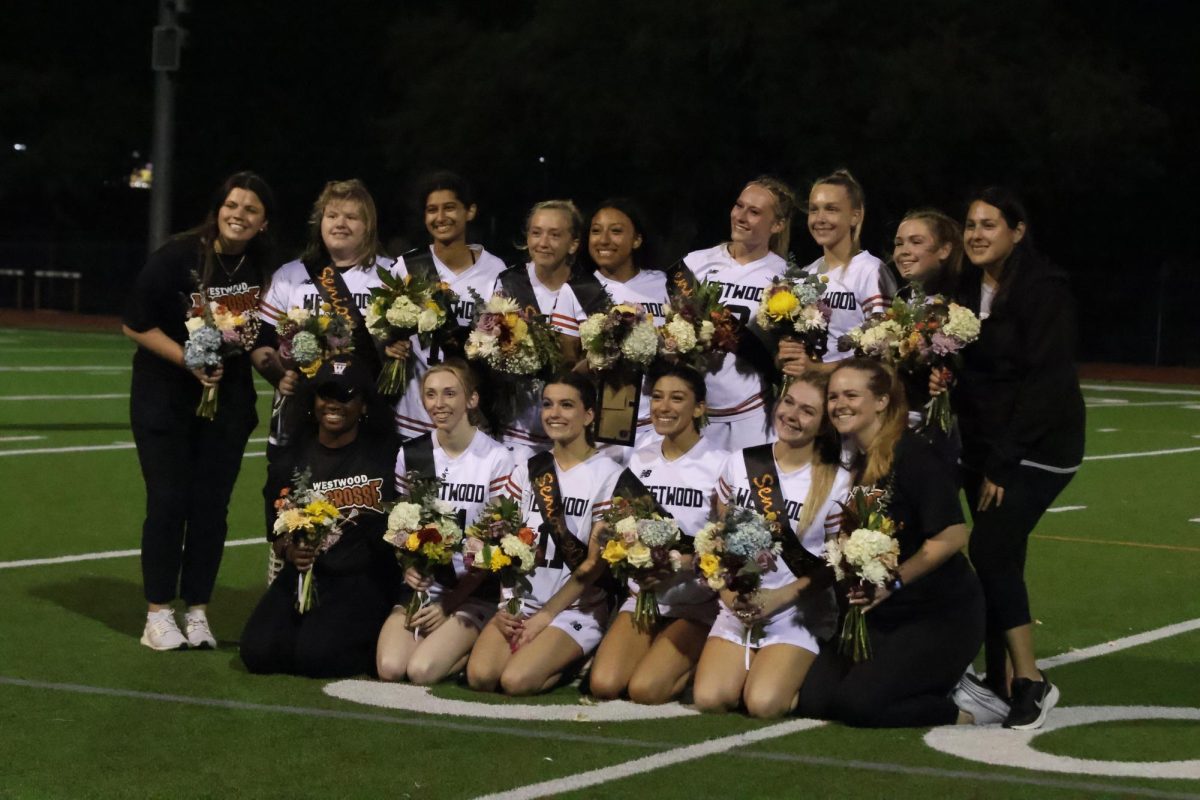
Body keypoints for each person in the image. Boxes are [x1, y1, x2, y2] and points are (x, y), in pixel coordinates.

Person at [947, 187, 1085, 730]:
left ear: (1017, 231)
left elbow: (1045, 382)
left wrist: (1004, 461)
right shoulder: (962, 287)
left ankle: (1030, 680)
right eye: (970, 224)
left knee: (993, 544)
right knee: (999, 553)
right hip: (983, 444)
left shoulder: (1043, 290)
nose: (977, 234)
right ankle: (998, 676)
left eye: (989, 224)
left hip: (1039, 445)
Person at [123, 170, 277, 651]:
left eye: (251, 210)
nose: (239, 215)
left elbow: (257, 340)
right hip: (165, 399)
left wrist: (287, 373)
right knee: (169, 504)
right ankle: (158, 614)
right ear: (219, 210)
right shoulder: (178, 256)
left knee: (211, 510)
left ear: (263, 223)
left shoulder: (262, 268)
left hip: (226, 402)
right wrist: (188, 359)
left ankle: (198, 611)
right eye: (233, 205)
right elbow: (134, 324)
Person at [796, 358, 986, 727]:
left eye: (852, 394)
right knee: (815, 701)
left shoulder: (914, 454)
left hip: (937, 614)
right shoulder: (856, 458)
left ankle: (966, 705)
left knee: (858, 706)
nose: (839, 404)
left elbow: (952, 536)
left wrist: (893, 581)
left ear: (882, 401)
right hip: (882, 615)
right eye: (834, 396)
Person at [252, 179, 402, 579]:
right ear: (319, 221)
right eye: (332, 215)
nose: (341, 223)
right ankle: (283, 565)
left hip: (368, 413)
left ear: (368, 225)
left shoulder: (391, 275)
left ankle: (363, 583)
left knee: (366, 496)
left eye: (352, 216)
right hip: (301, 414)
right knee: (287, 486)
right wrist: (278, 373)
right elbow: (263, 344)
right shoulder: (290, 275)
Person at [692, 371, 851, 719]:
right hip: (739, 603)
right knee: (710, 699)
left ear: (824, 424)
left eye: (807, 411)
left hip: (797, 611)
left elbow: (837, 562)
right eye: (789, 402)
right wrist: (729, 595)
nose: (791, 415)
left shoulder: (838, 482)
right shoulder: (740, 462)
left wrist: (781, 597)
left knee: (763, 704)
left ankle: (819, 674)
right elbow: (716, 540)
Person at [466, 373, 630, 696]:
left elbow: (595, 565)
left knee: (517, 681)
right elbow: (503, 543)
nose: (554, 413)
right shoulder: (529, 469)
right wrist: (508, 606)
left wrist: (544, 618)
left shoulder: (609, 475)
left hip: (573, 610)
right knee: (482, 676)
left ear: (589, 415)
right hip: (522, 603)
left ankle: (576, 659)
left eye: (566, 405)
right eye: (548, 404)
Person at [240, 356, 400, 677]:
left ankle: (376, 637)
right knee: (256, 653)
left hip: (360, 579)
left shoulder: (387, 459)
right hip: (303, 577)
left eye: (345, 396)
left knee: (317, 658)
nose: (334, 404)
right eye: (326, 394)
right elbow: (276, 535)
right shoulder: (290, 461)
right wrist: (290, 548)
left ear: (364, 405)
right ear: (312, 400)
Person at [376, 360, 518, 684]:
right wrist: (407, 565)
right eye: (431, 394)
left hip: (473, 590)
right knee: (390, 667)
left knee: (421, 671)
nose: (439, 404)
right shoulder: (411, 453)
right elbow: (399, 524)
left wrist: (450, 604)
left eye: (450, 394)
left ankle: (477, 646)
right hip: (427, 586)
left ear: (472, 400)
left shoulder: (497, 458)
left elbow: (496, 544)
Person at [588, 366, 724, 704]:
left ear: (699, 408)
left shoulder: (722, 463)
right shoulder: (640, 457)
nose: (664, 407)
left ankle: (702, 653)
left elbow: (726, 545)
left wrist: (682, 562)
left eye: (677, 398)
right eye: (657, 397)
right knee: (604, 685)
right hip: (644, 597)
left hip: (696, 602)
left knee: (645, 690)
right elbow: (623, 524)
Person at [682, 177, 796, 450]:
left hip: (752, 414)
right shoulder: (694, 264)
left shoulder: (787, 278)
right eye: (739, 206)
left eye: (754, 212)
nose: (741, 216)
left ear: (777, 225)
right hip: (692, 410)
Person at [392, 171, 507, 440]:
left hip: (470, 414)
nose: (440, 217)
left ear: (470, 211)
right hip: (415, 415)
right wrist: (389, 344)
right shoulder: (406, 267)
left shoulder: (494, 270)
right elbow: (383, 329)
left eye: (450, 208)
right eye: (432, 210)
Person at [556, 199, 670, 458]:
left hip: (657, 424)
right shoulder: (575, 290)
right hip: (602, 427)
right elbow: (567, 367)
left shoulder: (662, 285)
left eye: (616, 231)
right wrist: (600, 357)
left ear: (637, 240)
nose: (604, 239)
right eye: (596, 231)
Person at [486, 200, 585, 458]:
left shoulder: (588, 287)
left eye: (555, 235)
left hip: (573, 428)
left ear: (573, 243)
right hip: (520, 428)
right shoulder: (510, 281)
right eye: (536, 232)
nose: (543, 242)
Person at [779, 169, 896, 377]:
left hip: (854, 392)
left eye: (831, 209)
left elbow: (883, 352)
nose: (820, 218)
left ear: (855, 216)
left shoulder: (869, 270)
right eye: (814, 210)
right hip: (811, 396)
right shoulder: (806, 273)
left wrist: (819, 370)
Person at [891, 208, 965, 457]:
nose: (903, 251)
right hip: (896, 425)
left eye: (916, 241)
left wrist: (950, 378)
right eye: (899, 243)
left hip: (938, 432)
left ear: (944, 250)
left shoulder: (959, 304)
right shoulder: (901, 299)